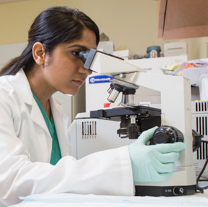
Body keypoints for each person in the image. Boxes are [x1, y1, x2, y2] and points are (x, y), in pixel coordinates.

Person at [0, 6, 185, 207]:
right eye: (77, 53)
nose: (86, 69)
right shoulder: (4, 97)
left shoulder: (56, 109)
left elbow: (59, 182)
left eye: (90, 57)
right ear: (40, 53)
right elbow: (11, 182)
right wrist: (123, 163)